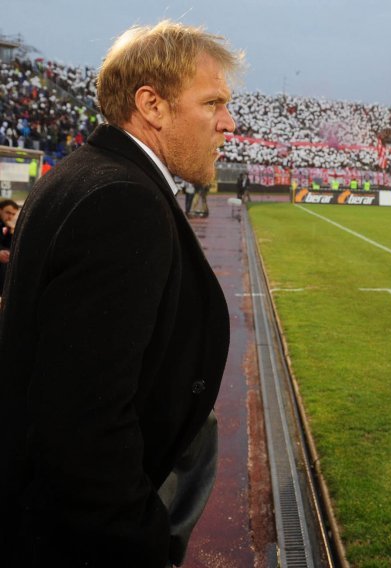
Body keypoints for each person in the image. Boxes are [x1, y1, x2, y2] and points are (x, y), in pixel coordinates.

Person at [0, 20, 242, 567]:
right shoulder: (123, 201)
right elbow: (86, 424)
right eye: (213, 103)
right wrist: (139, 543)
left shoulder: (83, 174)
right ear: (152, 105)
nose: (229, 123)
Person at [0, 199, 20, 294]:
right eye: (8, 212)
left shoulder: (6, 225)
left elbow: (9, 245)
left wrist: (12, 231)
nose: (10, 217)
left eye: (13, 214)